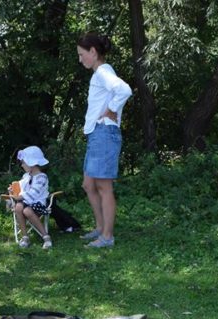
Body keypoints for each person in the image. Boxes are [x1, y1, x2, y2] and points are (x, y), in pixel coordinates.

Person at [76, 33, 132, 248]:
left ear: (93, 51)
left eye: (82, 54)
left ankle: (107, 237)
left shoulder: (103, 72)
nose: (80, 59)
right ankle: (100, 227)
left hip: (104, 133)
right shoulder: (100, 74)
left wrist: (111, 109)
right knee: (88, 184)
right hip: (96, 134)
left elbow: (124, 90)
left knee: (103, 187)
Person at [10, 146, 53, 249]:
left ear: (32, 163)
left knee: (27, 211)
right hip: (26, 202)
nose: (22, 165)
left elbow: (33, 193)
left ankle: (46, 237)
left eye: (23, 163)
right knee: (18, 207)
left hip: (38, 204)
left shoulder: (42, 177)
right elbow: (20, 187)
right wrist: (13, 189)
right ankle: (25, 237)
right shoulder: (26, 176)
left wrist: (19, 197)